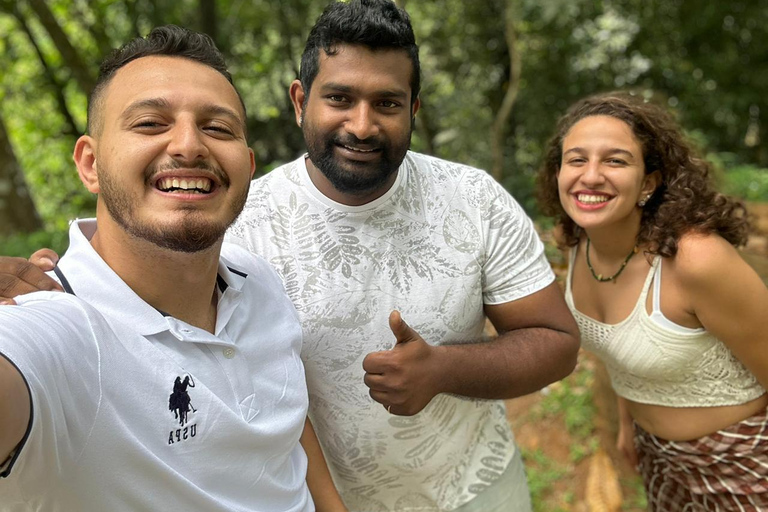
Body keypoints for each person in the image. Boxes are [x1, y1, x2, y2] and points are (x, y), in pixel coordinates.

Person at [0, 2, 580, 510]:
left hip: (473, 488)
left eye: (387, 102)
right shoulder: (233, 225)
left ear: (413, 110)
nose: (362, 124)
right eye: (340, 98)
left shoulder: (471, 199)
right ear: (301, 101)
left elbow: (556, 341)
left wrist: (445, 369)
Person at [0, 25, 346, 511]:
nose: (188, 145)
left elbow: (281, 428)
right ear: (90, 163)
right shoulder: (58, 325)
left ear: (247, 165)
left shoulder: (257, 280)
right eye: (149, 123)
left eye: (218, 128)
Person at [537, 92, 768, 510]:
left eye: (615, 160)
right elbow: (625, 347)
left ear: (648, 182)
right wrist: (629, 422)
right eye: (576, 159)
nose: (590, 176)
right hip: (657, 457)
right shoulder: (575, 242)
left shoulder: (696, 259)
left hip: (744, 464)